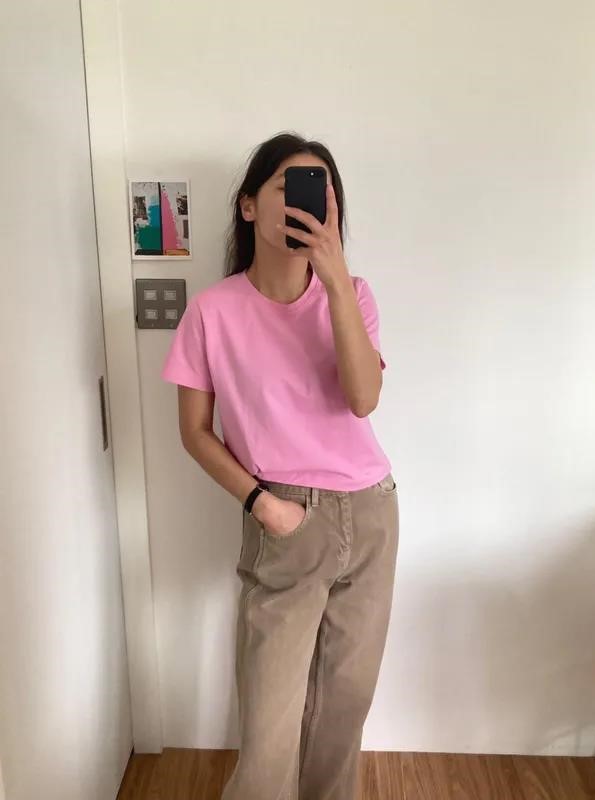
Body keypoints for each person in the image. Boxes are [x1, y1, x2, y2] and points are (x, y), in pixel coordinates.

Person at [161, 131, 399, 800]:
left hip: (372, 513)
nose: (306, 202)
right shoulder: (213, 311)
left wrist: (336, 283)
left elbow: (363, 399)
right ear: (248, 206)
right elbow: (196, 433)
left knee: (342, 713)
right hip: (285, 516)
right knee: (270, 725)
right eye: (289, 186)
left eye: (321, 191)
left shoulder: (353, 294)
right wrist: (263, 503)